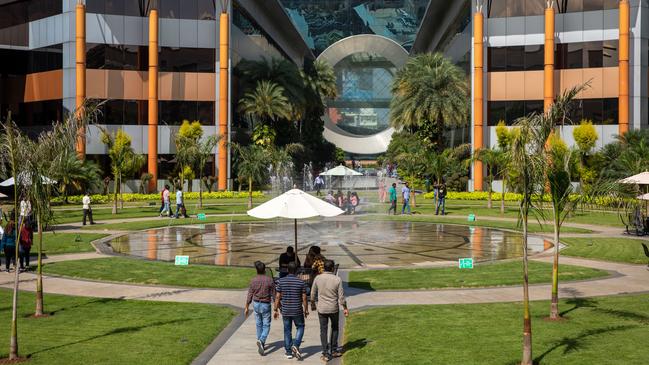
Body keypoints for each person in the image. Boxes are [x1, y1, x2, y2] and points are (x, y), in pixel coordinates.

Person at [311, 260, 349, 362]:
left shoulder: (318, 278)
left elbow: (312, 294)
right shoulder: (337, 279)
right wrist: (345, 308)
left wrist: (313, 304)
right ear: (332, 268)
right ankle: (334, 350)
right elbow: (341, 297)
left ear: (324, 268)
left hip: (322, 309)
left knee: (323, 330)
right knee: (335, 328)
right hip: (333, 308)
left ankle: (325, 352)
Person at [274, 261, 309, 360]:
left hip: (285, 310)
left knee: (287, 330)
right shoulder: (301, 282)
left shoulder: (281, 281)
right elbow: (304, 298)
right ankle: (296, 344)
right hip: (297, 309)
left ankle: (288, 352)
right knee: (300, 326)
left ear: (287, 270)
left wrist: (275, 309)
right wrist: (306, 309)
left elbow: (277, 297)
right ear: (297, 271)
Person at [244, 261, 276, 356]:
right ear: (265, 270)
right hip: (265, 304)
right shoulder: (269, 280)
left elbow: (250, 294)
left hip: (256, 304)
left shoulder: (253, 280)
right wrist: (276, 307)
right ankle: (261, 340)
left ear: (257, 270)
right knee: (266, 325)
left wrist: (246, 306)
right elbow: (274, 294)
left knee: (258, 324)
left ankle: (260, 341)